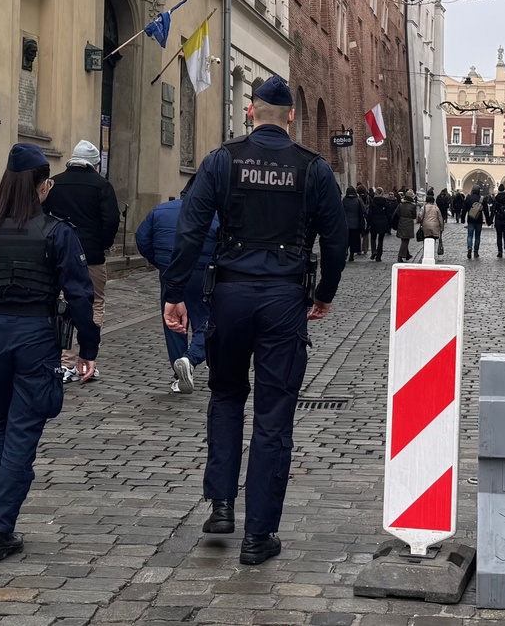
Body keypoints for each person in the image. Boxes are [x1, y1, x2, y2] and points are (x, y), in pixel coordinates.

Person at [162, 75, 346, 566]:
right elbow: (336, 240)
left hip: (229, 296)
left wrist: (175, 294)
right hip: (284, 299)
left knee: (225, 396)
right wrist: (324, 293)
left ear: (250, 111)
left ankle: (221, 505)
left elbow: (190, 230)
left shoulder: (222, 160)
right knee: (273, 413)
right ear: (290, 117)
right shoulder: (313, 168)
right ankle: (258, 535)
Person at [0, 144, 100, 562]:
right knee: (22, 430)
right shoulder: (56, 233)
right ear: (42, 187)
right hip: (35, 336)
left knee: (1, 422)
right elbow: (80, 294)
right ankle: (0, 528)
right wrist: (88, 347)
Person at [44, 139, 120, 382]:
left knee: (64, 304)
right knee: (95, 303)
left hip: (60, 254)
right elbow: (111, 220)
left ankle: (66, 363)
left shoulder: (54, 183)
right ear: (95, 164)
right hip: (91, 255)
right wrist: (101, 244)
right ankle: (88, 359)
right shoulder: (101, 185)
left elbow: (43, 216)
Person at [135, 176, 218, 394]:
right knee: (207, 319)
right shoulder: (215, 214)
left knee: (173, 322)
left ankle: (179, 369)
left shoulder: (159, 211)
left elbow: (142, 239)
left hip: (169, 272)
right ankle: (191, 359)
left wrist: (162, 264)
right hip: (202, 273)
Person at [367, 188, 393, 262]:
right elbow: (388, 214)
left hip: (374, 221)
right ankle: (379, 256)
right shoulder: (385, 202)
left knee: (373, 238)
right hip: (383, 222)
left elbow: (370, 214)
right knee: (381, 240)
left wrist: (369, 223)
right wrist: (389, 224)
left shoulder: (372, 202)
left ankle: (374, 250)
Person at [342, 186, 366, 262]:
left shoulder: (344, 200)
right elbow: (363, 209)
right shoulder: (358, 200)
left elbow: (340, 210)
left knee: (346, 239)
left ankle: (345, 251)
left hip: (346, 223)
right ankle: (351, 255)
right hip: (356, 223)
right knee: (354, 239)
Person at [418, 190, 444, 256]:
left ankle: (426, 253)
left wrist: (420, 221)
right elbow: (440, 218)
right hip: (435, 226)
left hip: (425, 226)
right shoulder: (436, 208)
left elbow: (420, 217)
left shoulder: (424, 208)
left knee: (426, 239)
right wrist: (441, 227)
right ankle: (431, 253)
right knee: (433, 240)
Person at [491, 184, 505, 259]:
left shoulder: (496, 198)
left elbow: (493, 210)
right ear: (504, 189)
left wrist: (490, 219)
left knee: (499, 236)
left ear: (499, 189)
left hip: (498, 219)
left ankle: (500, 252)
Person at [465, 187, 487, 259]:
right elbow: (486, 210)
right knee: (477, 236)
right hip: (479, 220)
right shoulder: (482, 199)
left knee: (470, 236)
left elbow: (464, 208)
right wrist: (488, 220)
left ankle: (469, 248)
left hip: (470, 219)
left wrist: (462, 218)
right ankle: (476, 252)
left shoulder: (469, 198)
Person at [394, 192, 416, 262]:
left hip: (401, 222)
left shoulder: (400, 205)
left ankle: (407, 255)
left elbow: (397, 213)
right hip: (408, 223)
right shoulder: (412, 206)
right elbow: (414, 216)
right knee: (406, 240)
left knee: (403, 239)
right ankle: (400, 255)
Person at [356, 183, 371, 256]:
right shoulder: (368, 198)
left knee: (358, 234)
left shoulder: (356, 199)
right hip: (367, 217)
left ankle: (358, 249)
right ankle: (365, 248)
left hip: (358, 217)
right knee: (366, 233)